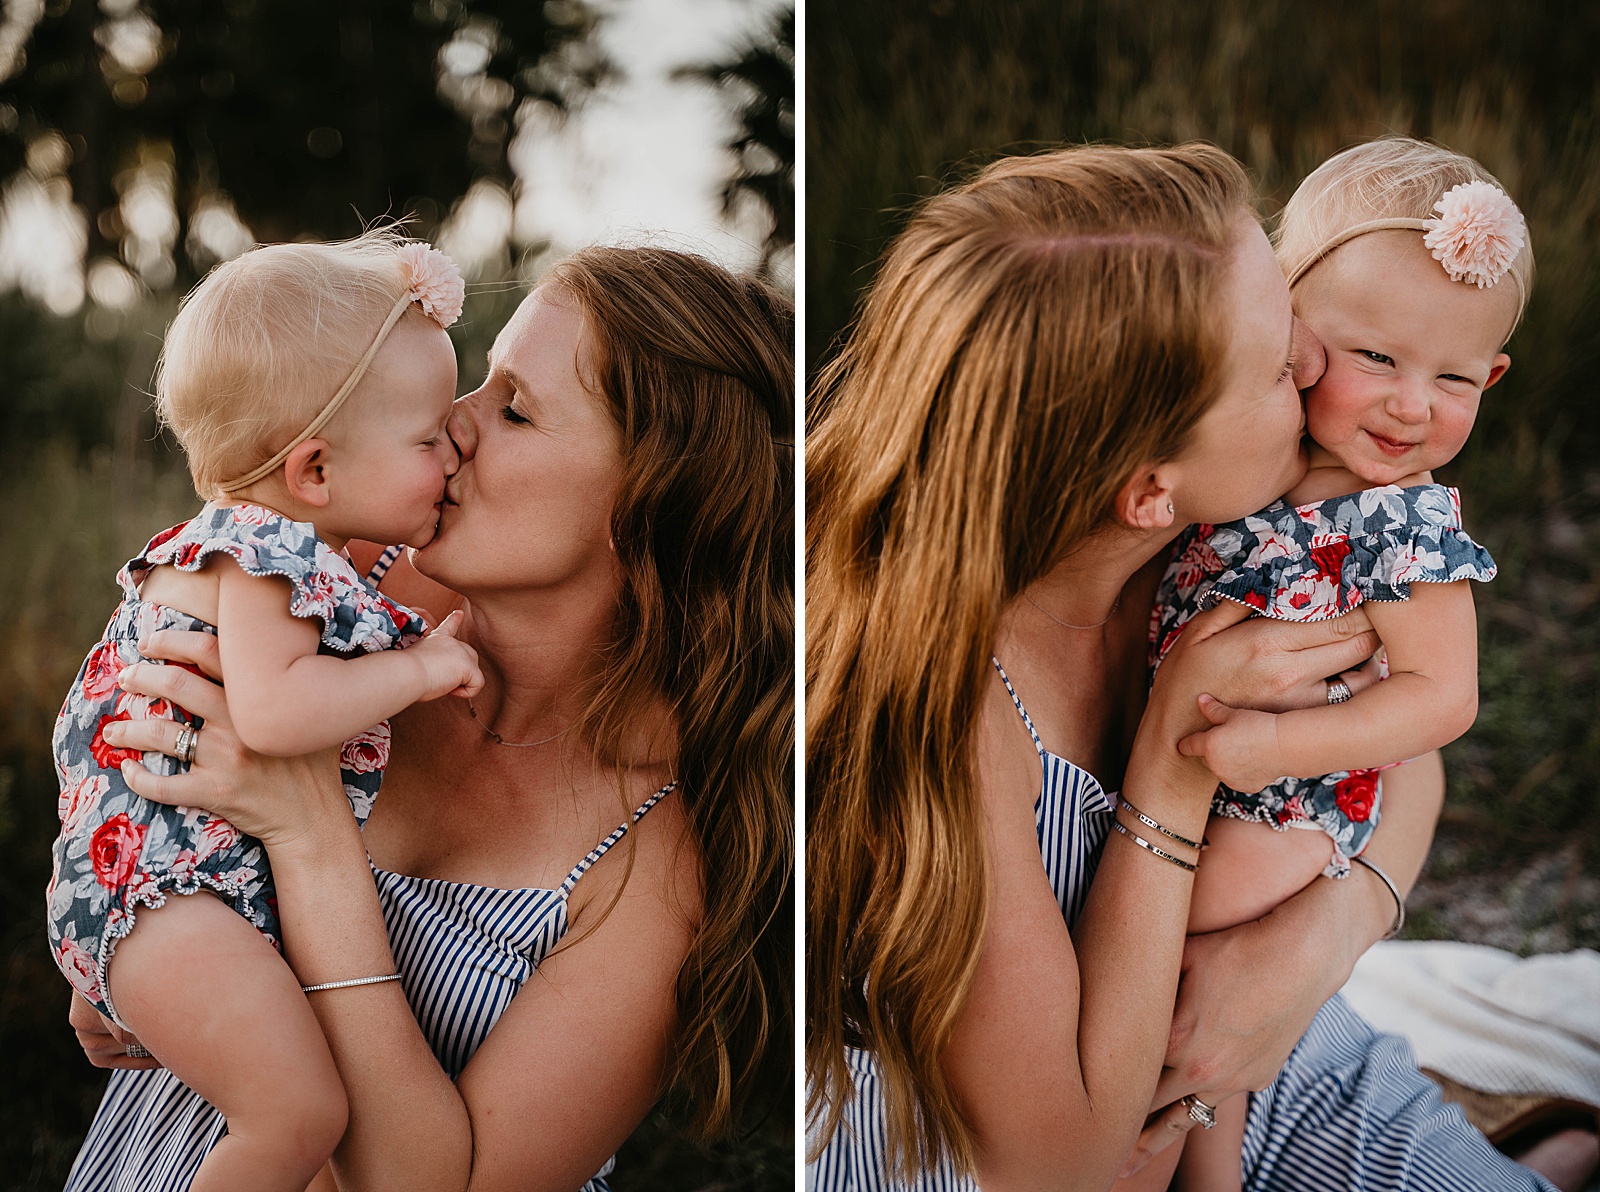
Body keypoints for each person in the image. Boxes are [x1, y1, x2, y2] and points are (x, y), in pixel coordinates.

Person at [805, 142, 1562, 1191]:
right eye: (1273, 362)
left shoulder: (1251, 525)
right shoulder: (939, 712)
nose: (1313, 363)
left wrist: (1320, 940)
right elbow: (1057, 1160)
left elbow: (1407, 750)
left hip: (1268, 1037)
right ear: (1147, 489)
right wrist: (1171, 772)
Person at [65, 243, 794, 1192]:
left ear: (651, 505)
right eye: (481, 381)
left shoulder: (657, 864)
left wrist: (311, 834)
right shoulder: (336, 580)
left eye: (514, 409)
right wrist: (126, 950)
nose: (453, 423)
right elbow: (125, 749)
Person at [49, 233, 483, 1192]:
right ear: (314, 471)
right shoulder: (263, 557)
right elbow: (280, 717)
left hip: (175, 891)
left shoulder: (271, 549)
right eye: (426, 437)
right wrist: (421, 669)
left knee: (293, 1111)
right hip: (168, 894)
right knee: (296, 1118)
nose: (456, 445)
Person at [1150, 138, 1530, 1191]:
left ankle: (1201, 1165)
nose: (1413, 405)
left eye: (1452, 378)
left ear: (1491, 378)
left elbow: (1441, 697)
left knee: (1178, 947)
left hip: (1291, 804)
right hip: (1210, 774)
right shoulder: (1259, 470)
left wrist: (1278, 742)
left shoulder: (1401, 522)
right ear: (1294, 333)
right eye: (1378, 360)